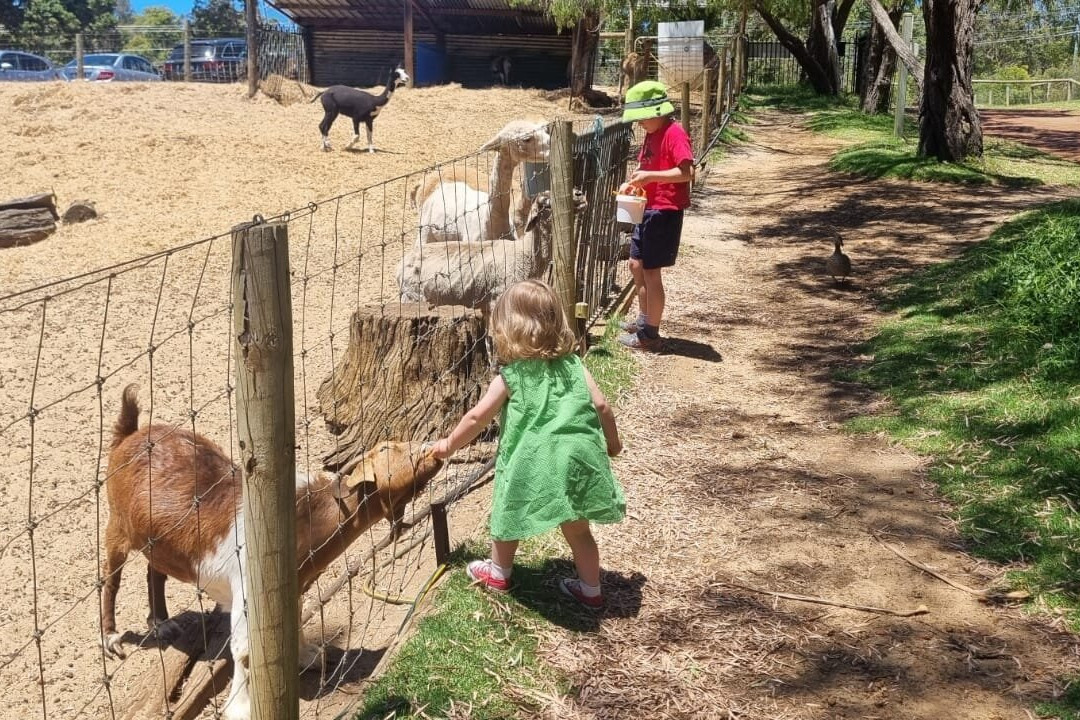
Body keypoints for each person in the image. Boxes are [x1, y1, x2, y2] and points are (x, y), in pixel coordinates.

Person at [433, 279, 625, 609]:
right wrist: (613, 442)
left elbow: (477, 418)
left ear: (506, 328)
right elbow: (602, 406)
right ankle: (591, 590)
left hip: (529, 459)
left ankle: (499, 572)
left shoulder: (511, 376)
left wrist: (448, 445)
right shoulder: (575, 365)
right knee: (579, 530)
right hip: (576, 458)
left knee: (508, 514)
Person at [619, 80, 695, 351]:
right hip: (648, 208)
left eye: (642, 118)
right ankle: (642, 320)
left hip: (664, 211)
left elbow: (686, 172)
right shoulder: (652, 133)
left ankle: (649, 335)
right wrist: (637, 184)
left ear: (657, 112)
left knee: (651, 272)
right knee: (636, 266)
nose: (640, 124)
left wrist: (649, 176)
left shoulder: (674, 134)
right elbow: (647, 165)